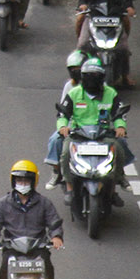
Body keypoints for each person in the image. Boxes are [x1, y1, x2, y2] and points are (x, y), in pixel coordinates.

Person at [0, 161, 63, 279]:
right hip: (12, 246)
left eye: (26, 181)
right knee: (4, 266)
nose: (23, 183)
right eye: (19, 180)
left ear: (33, 182)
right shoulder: (3, 203)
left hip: (37, 246)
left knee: (48, 264)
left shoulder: (44, 203)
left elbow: (54, 222)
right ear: (13, 181)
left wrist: (56, 236)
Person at [57, 59, 131, 201]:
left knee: (119, 151)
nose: (92, 80)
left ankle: (116, 184)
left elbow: (119, 114)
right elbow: (62, 114)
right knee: (66, 152)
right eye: (89, 76)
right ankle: (69, 187)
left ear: (102, 77)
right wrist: (63, 127)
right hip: (78, 134)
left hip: (103, 134)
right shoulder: (74, 93)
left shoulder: (111, 94)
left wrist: (120, 126)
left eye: (95, 76)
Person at [44, 51, 92, 187]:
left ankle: (118, 177)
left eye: (78, 69)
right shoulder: (69, 87)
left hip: (95, 128)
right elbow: (64, 110)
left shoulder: (101, 87)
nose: (76, 72)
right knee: (55, 140)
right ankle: (57, 172)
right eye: (73, 70)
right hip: (73, 127)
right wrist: (64, 127)